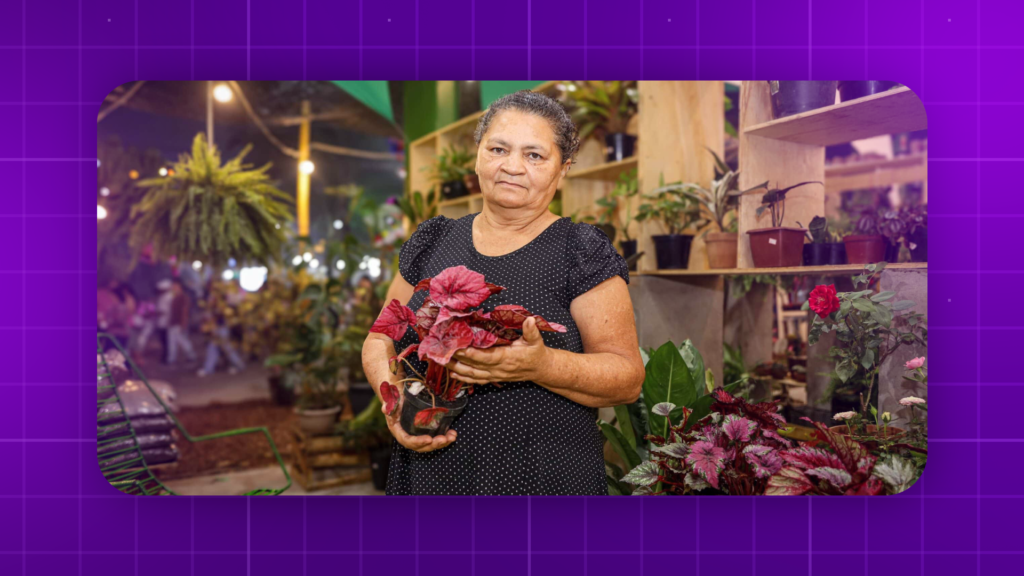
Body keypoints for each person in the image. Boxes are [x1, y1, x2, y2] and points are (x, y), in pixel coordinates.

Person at [361, 90, 645, 495]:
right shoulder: (434, 239)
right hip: (429, 472)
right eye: (498, 149)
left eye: (534, 155)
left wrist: (541, 366)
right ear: (477, 156)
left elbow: (627, 379)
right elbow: (379, 339)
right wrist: (393, 403)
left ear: (562, 169)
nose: (512, 166)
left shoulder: (580, 250)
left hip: (543, 477)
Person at [197, 280, 246, 377]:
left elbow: (226, 313)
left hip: (222, 328)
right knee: (213, 348)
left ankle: (239, 365)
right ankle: (208, 368)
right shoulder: (213, 299)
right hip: (215, 327)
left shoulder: (223, 299)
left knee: (227, 349)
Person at [165, 279, 197, 365]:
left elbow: (185, 311)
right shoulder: (173, 297)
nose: (173, 288)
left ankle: (191, 355)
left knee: (182, 341)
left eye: (175, 286)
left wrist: (183, 323)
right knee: (172, 342)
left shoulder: (183, 297)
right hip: (173, 322)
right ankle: (171, 359)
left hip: (178, 323)